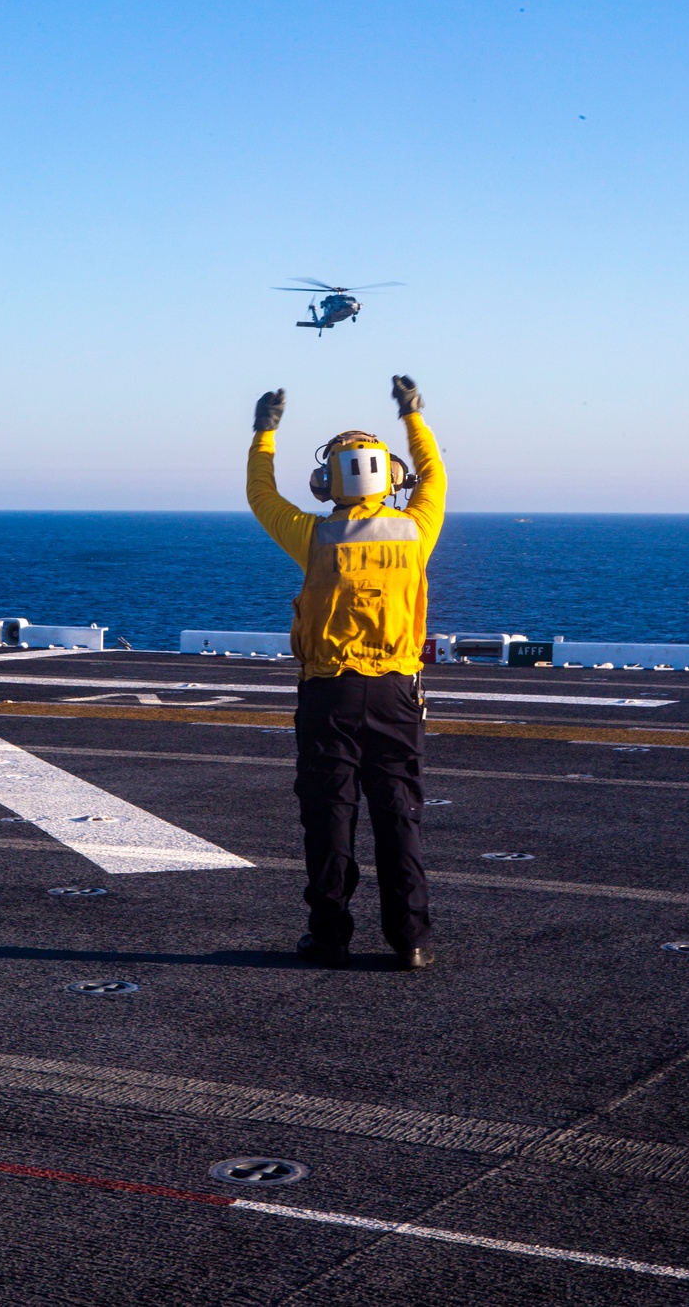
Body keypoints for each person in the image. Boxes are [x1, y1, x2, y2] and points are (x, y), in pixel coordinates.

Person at [247, 375, 446, 970]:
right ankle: (409, 939)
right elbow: (433, 476)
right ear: (389, 477)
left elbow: (263, 496)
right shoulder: (415, 529)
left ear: (327, 480)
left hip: (328, 695)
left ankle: (330, 934)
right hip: (395, 695)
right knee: (399, 814)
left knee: (330, 815)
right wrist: (413, 416)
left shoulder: (314, 536)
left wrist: (264, 433)